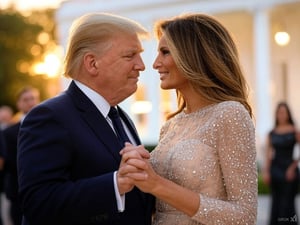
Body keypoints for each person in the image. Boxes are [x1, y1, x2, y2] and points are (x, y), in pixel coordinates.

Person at [119, 13, 258, 225]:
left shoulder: (230, 114)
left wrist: (157, 184)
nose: (155, 64)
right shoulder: (171, 125)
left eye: (165, 52)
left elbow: (244, 216)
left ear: (193, 56)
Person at [17, 12, 153, 225]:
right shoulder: (49, 116)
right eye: (130, 55)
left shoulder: (120, 116)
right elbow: (38, 203)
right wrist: (115, 184)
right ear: (92, 64)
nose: (141, 65)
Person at [3, 86, 40, 225]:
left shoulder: (50, 126)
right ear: (18, 104)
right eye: (26, 99)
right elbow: (9, 163)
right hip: (18, 193)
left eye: (33, 98)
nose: (30, 102)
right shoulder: (8, 133)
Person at [262, 102, 300, 225]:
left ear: (288, 114)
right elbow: (268, 154)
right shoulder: (271, 133)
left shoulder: (295, 131)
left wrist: (293, 166)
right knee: (276, 203)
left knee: (287, 203)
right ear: (276, 114)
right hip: (275, 170)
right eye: (279, 112)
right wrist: (266, 172)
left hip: (290, 171)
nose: (281, 115)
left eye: (284, 112)